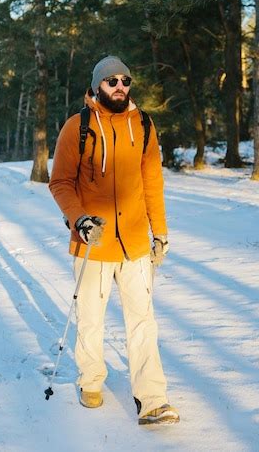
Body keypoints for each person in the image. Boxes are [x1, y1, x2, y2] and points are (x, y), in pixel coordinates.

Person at [49, 55, 179, 426]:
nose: (120, 87)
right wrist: (80, 219)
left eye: (125, 80)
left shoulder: (145, 125)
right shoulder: (78, 127)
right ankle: (91, 380)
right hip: (94, 241)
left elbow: (153, 183)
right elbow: (59, 182)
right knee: (91, 318)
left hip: (136, 240)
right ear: (96, 87)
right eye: (111, 81)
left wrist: (161, 232)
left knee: (143, 321)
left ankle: (153, 399)